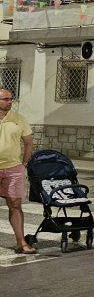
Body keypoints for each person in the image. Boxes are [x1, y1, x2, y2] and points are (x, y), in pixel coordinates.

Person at [0, 89, 34, 254]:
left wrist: (24, 164)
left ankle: (22, 243)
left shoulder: (19, 119)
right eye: (6, 99)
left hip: (13, 169)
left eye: (11, 99)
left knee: (15, 204)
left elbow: (28, 142)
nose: (9, 102)